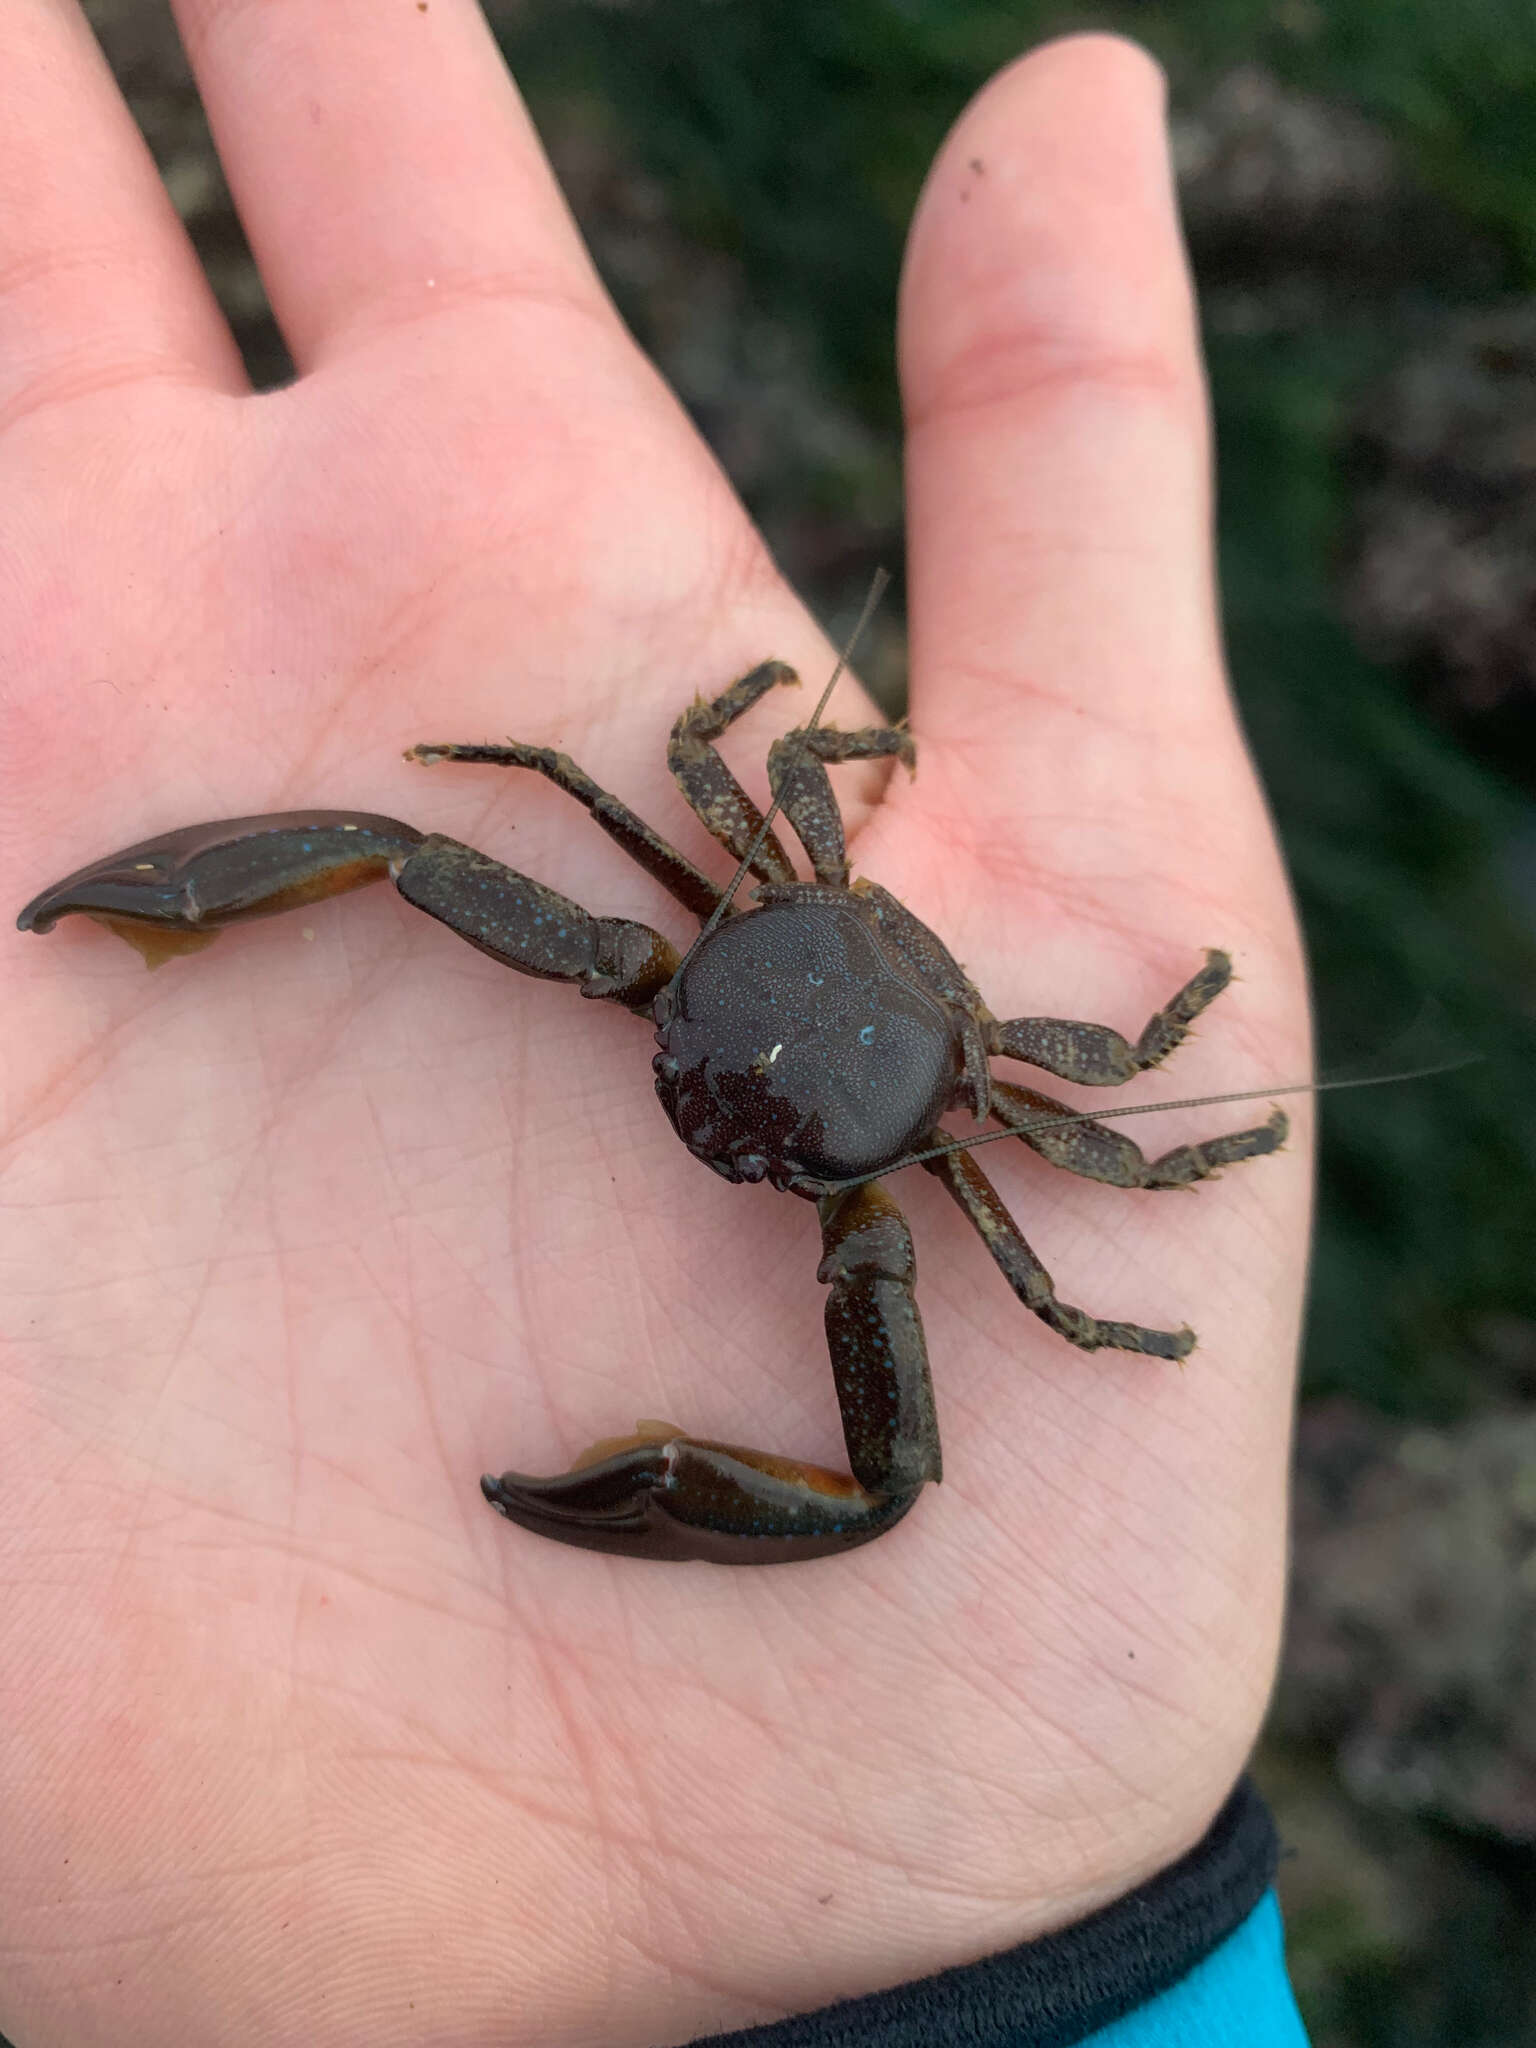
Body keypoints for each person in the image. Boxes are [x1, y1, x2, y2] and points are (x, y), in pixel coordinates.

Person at [0, 9, 1313, 2044]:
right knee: (388, 846)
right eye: (718, 1106)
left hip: (792, 993)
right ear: (726, 866)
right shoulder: (775, 927)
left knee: (893, 1471)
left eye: (768, 1148)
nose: (716, 1141)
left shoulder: (831, 999)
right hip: (775, 984)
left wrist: (1135, 1262)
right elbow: (463, 823)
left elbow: (1116, 1131)